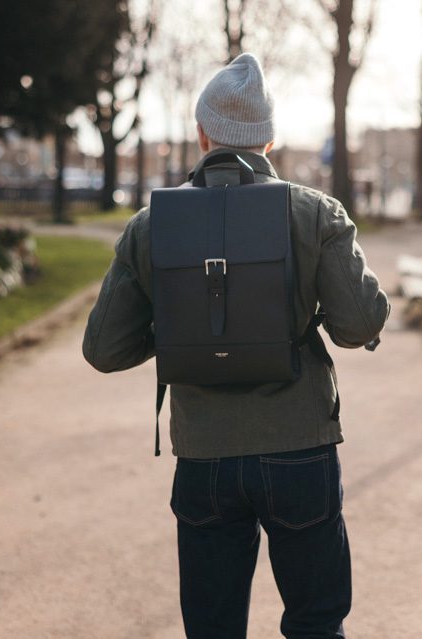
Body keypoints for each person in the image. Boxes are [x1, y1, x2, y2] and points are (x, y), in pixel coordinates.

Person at [82, 52, 389, 639]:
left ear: (202, 134)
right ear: (269, 140)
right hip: (301, 449)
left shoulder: (151, 225)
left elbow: (104, 349)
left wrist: (181, 331)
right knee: (316, 624)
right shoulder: (315, 212)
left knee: (213, 630)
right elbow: (357, 325)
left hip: (204, 458)